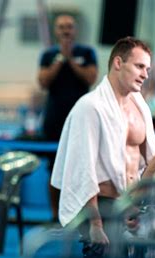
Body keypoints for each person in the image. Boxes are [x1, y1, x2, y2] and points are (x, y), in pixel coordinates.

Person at [51, 37, 155, 258]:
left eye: (147, 68)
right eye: (139, 66)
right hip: (102, 206)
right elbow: (84, 169)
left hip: (132, 204)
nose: (145, 74)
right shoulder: (90, 107)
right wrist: (95, 224)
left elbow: (151, 159)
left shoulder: (140, 108)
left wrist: (142, 203)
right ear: (118, 63)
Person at [38, 14, 98, 221]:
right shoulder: (48, 55)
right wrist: (61, 58)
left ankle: (79, 216)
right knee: (54, 168)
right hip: (55, 121)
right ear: (56, 31)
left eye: (69, 27)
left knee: (81, 169)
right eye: (61, 27)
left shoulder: (87, 53)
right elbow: (43, 82)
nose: (65, 30)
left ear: (75, 30)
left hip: (81, 120)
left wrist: (71, 59)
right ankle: (55, 215)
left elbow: (90, 78)